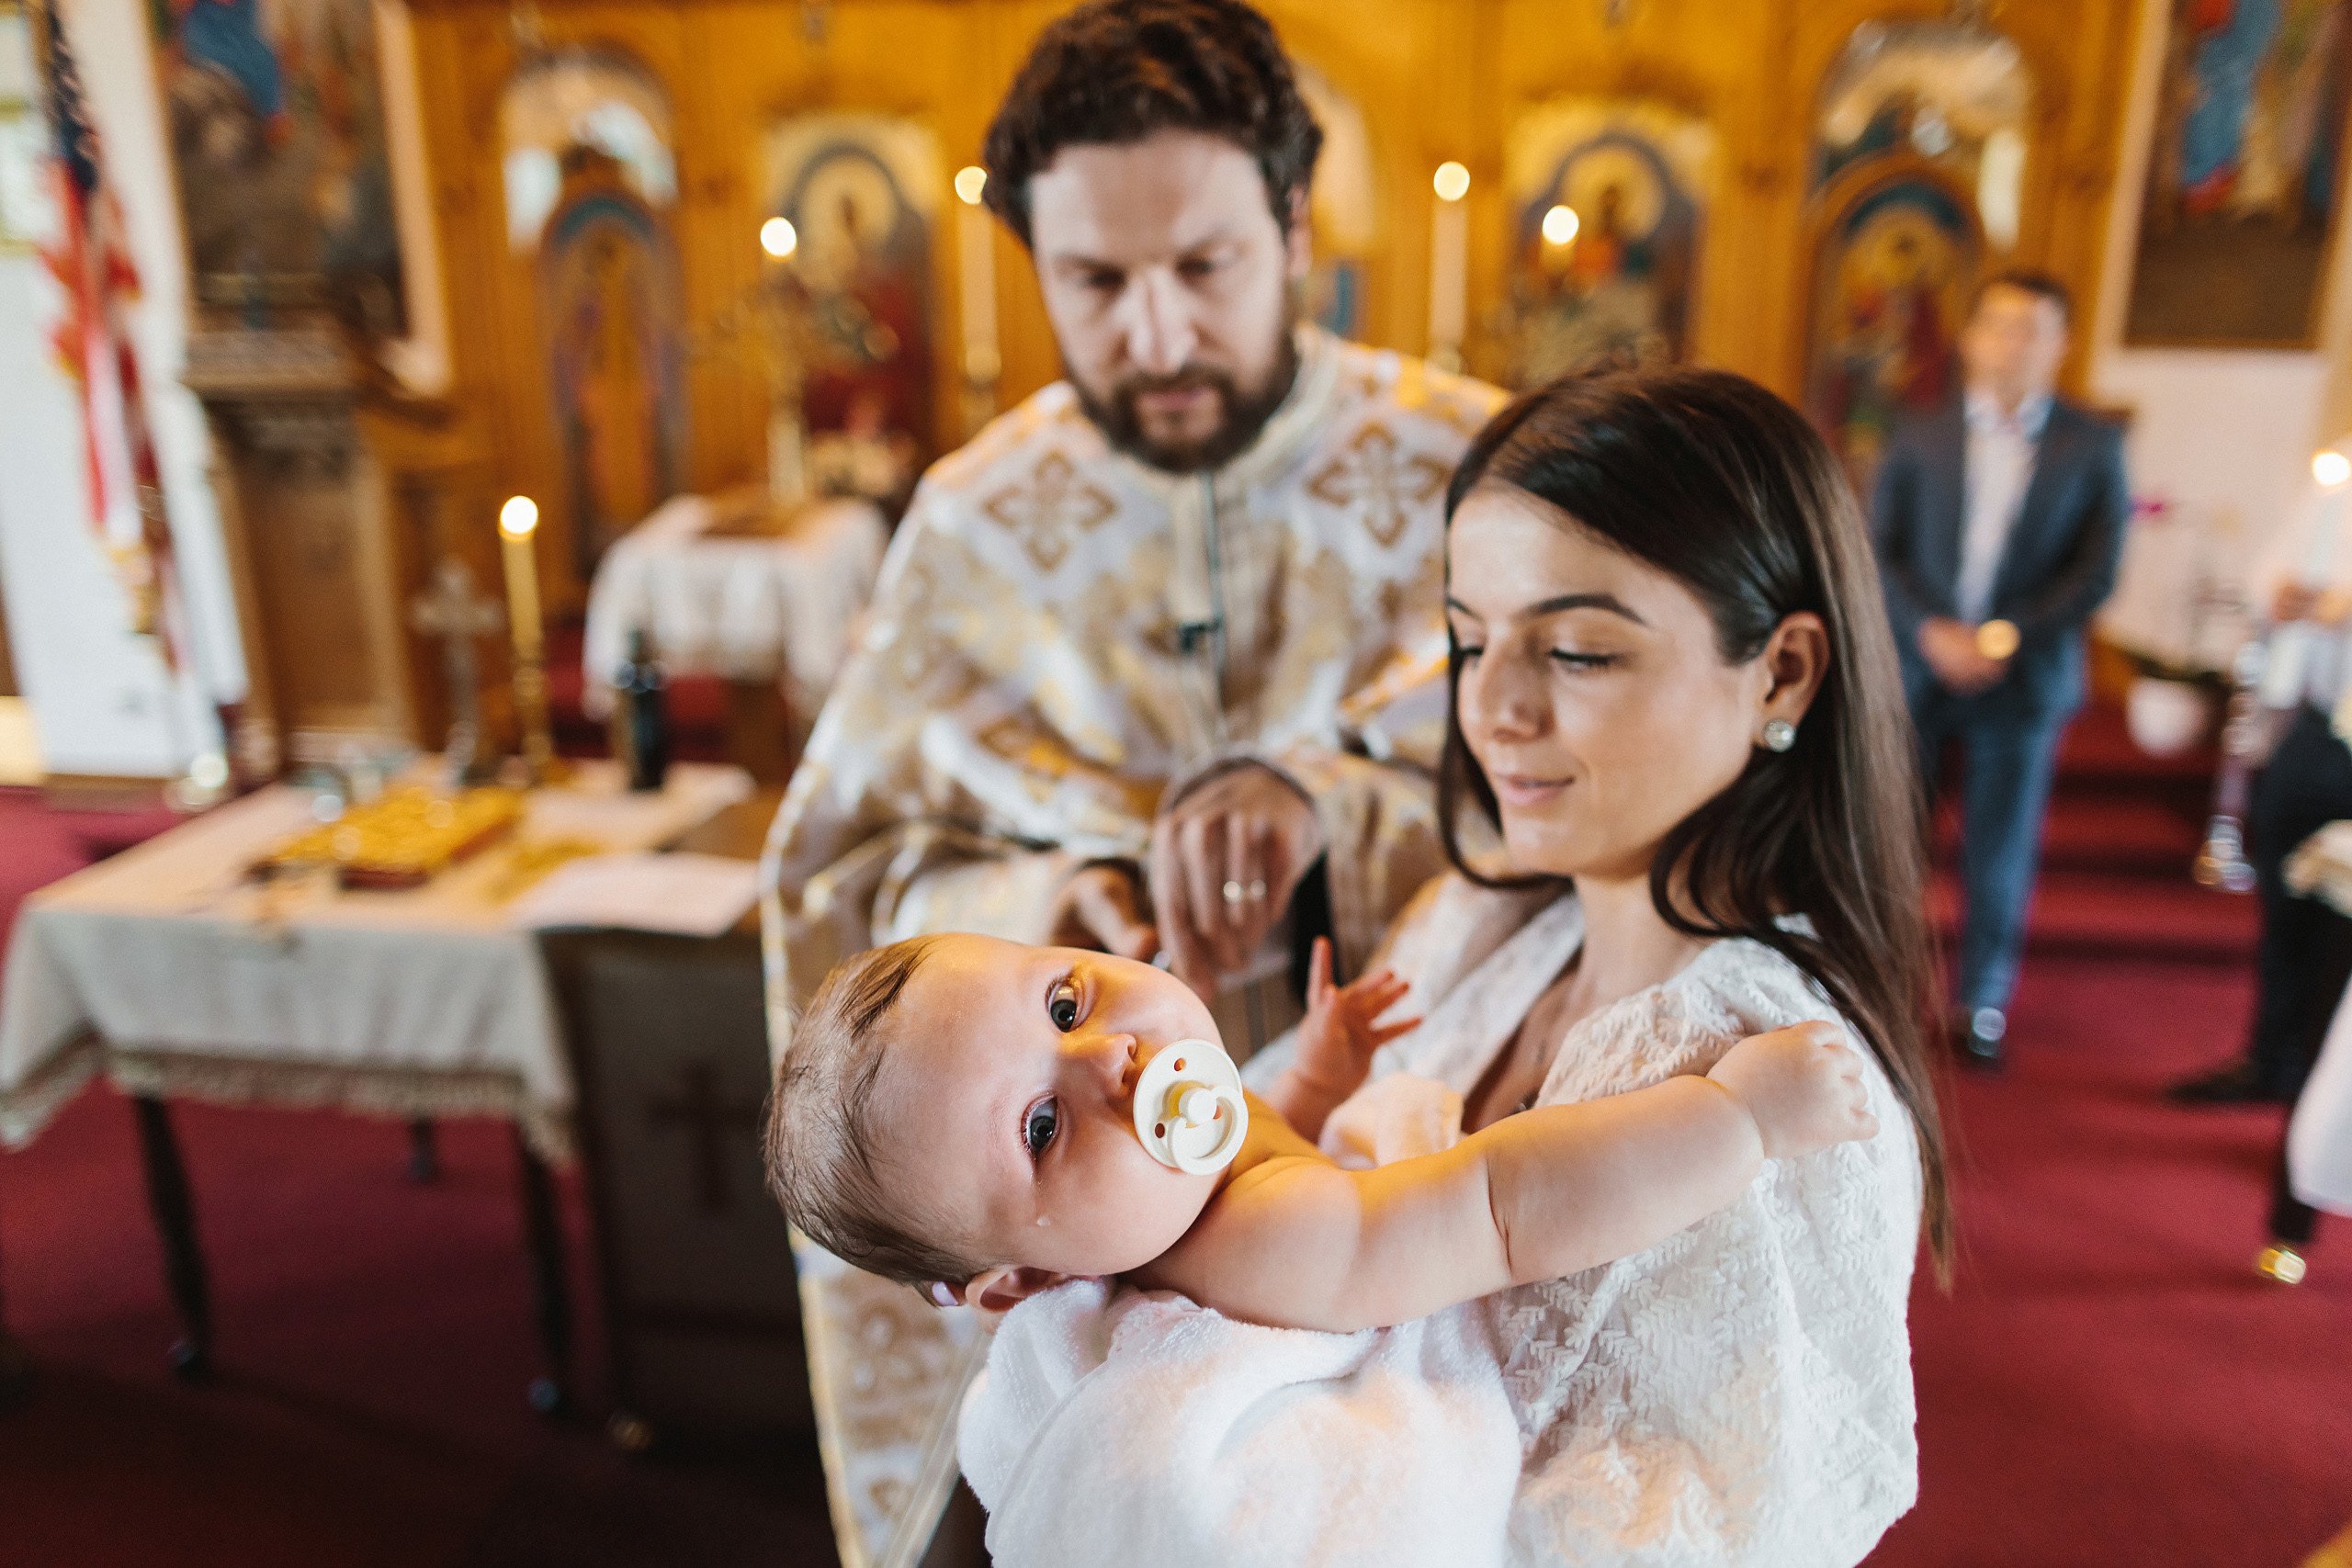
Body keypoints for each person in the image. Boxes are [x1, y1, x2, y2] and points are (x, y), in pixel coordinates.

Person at [954, 368, 1950, 1567]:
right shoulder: (1484, 923)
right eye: (1470, 641)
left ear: (1781, 672)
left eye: (1578, 650)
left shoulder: (1779, 1082)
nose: (1494, 707)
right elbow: (1233, 1163)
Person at [758, 4, 1499, 1556]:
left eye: (1206, 268)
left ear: (1295, 227)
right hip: (1082, 1264)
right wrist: (1046, 917)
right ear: (1031, 257)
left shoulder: (1470, 467)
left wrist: (1329, 808)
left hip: (1422, 1186)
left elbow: (1602, 788)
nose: (1154, 336)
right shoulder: (973, 519)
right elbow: (838, 871)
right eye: (1095, 282)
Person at [769, 930, 1874, 1329]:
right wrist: (1738, 1116)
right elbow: (1500, 1211)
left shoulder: (1168, 1183)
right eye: (1043, 1125)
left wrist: (1307, 1081)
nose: (1108, 1057)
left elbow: (1247, 1146)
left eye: (1064, 1004)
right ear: (1015, 1280)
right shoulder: (1271, 1241)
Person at [1871, 268, 2130, 1067]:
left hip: (2024, 679)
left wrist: (2007, 635)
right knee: (1888, 839)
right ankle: (1877, 993)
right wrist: (1931, 633)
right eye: (2000, 325)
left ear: (2061, 344)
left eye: (2034, 329)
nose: (2013, 343)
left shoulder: (2092, 444)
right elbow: (1877, 547)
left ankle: (1981, 1002)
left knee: (2000, 846)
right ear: (1971, 337)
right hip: (1918, 671)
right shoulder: (1918, 431)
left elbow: (2096, 568)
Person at [2171, 457, 2352, 1111]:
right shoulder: (2344, 473)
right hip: (2324, 719)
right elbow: (2277, 567)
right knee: (2291, 892)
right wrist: (2279, 593)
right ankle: (2275, 1057)